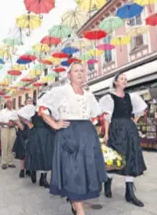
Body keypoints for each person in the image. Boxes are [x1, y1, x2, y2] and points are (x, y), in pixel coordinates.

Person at [37, 62, 107, 215]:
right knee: (72, 170)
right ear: (69, 75)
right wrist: (54, 124)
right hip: (68, 133)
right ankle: (80, 209)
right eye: (76, 71)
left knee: (84, 170)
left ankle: (76, 203)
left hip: (87, 135)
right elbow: (42, 106)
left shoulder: (89, 95)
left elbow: (96, 116)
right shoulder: (60, 91)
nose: (80, 73)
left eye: (82, 71)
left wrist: (95, 133)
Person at [99, 72, 148, 207]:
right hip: (116, 129)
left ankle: (130, 193)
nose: (125, 80)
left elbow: (141, 110)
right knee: (115, 158)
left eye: (126, 79)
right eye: (122, 78)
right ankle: (107, 182)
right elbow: (106, 117)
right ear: (115, 82)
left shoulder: (131, 97)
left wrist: (133, 121)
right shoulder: (109, 98)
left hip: (129, 129)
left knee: (131, 157)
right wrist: (107, 134)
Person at [25, 93, 55, 188]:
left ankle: (43, 178)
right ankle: (33, 171)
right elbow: (20, 114)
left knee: (46, 155)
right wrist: (28, 123)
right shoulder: (33, 108)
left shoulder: (50, 109)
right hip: (37, 133)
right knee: (35, 153)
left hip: (47, 133)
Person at [13, 98, 35, 178]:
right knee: (22, 150)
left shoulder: (35, 110)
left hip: (32, 131)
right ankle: (22, 169)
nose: (29, 102)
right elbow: (14, 118)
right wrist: (19, 124)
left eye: (31, 101)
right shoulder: (21, 110)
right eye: (28, 101)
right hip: (23, 131)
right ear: (25, 103)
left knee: (30, 151)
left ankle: (29, 168)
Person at [0, 99, 20, 170]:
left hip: (12, 129)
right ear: (6, 104)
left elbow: (17, 121)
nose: (10, 103)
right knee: (4, 145)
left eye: (11, 102)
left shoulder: (15, 112)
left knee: (11, 145)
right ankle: (4, 162)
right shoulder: (2, 112)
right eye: (9, 102)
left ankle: (10, 162)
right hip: (4, 129)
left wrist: (13, 123)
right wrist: (6, 123)